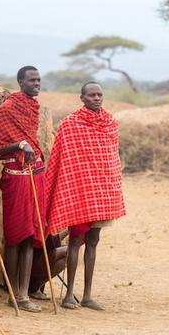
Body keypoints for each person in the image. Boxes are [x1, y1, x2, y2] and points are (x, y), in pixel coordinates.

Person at [44, 81, 125, 311]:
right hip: (78, 193)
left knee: (93, 242)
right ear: (82, 98)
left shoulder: (110, 124)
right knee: (75, 242)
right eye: (91, 95)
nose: (96, 98)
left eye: (100, 94)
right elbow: (65, 162)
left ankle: (87, 295)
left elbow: (111, 159)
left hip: (101, 193)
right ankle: (69, 294)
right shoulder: (70, 124)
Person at [0, 65, 46, 312]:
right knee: (15, 236)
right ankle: (13, 292)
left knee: (32, 235)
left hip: (36, 174)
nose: (37, 83)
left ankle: (24, 293)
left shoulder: (33, 108)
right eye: (32, 80)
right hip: (15, 176)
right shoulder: (9, 108)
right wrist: (19, 145)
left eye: (39, 80)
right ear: (20, 81)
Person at [29, 231, 68, 301]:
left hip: (38, 261)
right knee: (68, 252)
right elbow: (50, 248)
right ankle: (33, 287)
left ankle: (36, 286)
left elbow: (52, 243)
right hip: (34, 262)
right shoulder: (42, 224)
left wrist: (67, 231)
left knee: (65, 258)